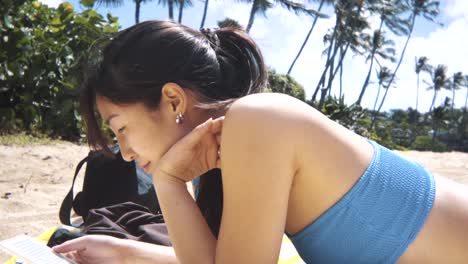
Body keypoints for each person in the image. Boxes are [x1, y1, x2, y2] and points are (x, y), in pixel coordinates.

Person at [53, 20, 468, 263]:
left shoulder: (258, 122)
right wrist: (124, 252)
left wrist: (167, 181)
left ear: (173, 99)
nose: (123, 151)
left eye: (120, 127)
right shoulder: (225, 151)